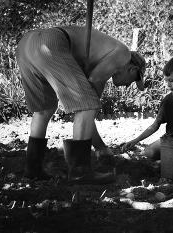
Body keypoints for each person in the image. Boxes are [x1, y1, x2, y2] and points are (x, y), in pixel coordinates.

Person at [16, 25, 146, 184]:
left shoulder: (102, 58)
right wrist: (101, 148)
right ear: (133, 70)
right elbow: (87, 105)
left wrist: (100, 147)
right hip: (51, 42)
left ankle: (33, 169)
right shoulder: (123, 54)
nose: (128, 86)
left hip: (27, 44)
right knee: (87, 106)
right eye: (133, 82)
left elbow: (87, 113)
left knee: (45, 109)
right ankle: (80, 172)